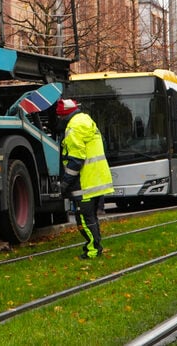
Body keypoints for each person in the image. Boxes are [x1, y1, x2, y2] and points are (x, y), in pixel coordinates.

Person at [56, 98, 114, 259]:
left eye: (60, 116)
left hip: (84, 182)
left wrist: (65, 183)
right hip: (96, 178)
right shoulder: (86, 120)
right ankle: (95, 247)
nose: (59, 120)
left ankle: (93, 250)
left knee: (83, 220)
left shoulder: (73, 128)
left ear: (64, 115)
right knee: (91, 218)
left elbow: (75, 159)